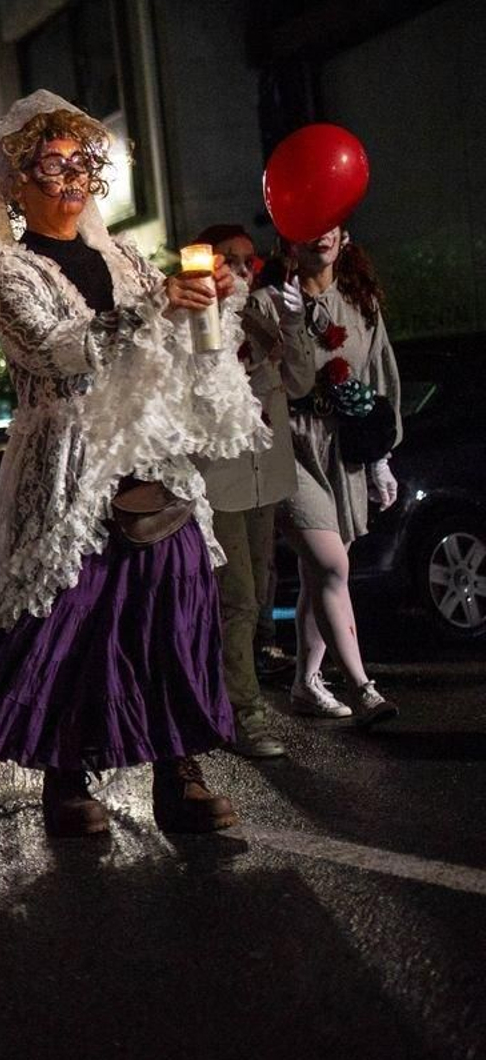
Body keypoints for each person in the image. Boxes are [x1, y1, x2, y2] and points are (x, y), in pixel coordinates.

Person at [0, 91, 268, 837]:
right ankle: (64, 772)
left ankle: (178, 768)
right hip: (68, 463)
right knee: (74, 618)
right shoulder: (7, 270)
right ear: (15, 184)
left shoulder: (122, 256)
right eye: (51, 165)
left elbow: (179, 350)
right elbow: (57, 353)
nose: (72, 179)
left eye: (82, 162)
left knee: (175, 600)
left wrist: (208, 305)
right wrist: (159, 312)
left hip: (146, 455)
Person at [245, 226, 401, 725]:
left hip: (341, 446)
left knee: (322, 574)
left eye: (330, 225)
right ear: (288, 244)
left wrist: (380, 458)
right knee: (331, 564)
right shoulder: (266, 305)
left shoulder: (360, 301)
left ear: (346, 235)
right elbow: (253, 377)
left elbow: (378, 374)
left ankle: (306, 683)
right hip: (286, 443)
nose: (322, 236)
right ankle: (362, 687)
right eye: (308, 228)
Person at [192, 224, 294, 759]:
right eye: (228, 259)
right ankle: (243, 715)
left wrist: (290, 319)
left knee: (258, 600)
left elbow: (297, 382)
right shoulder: (195, 318)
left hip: (264, 476)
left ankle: (230, 698)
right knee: (239, 601)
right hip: (220, 480)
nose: (241, 269)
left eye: (249, 261)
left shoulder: (265, 313)